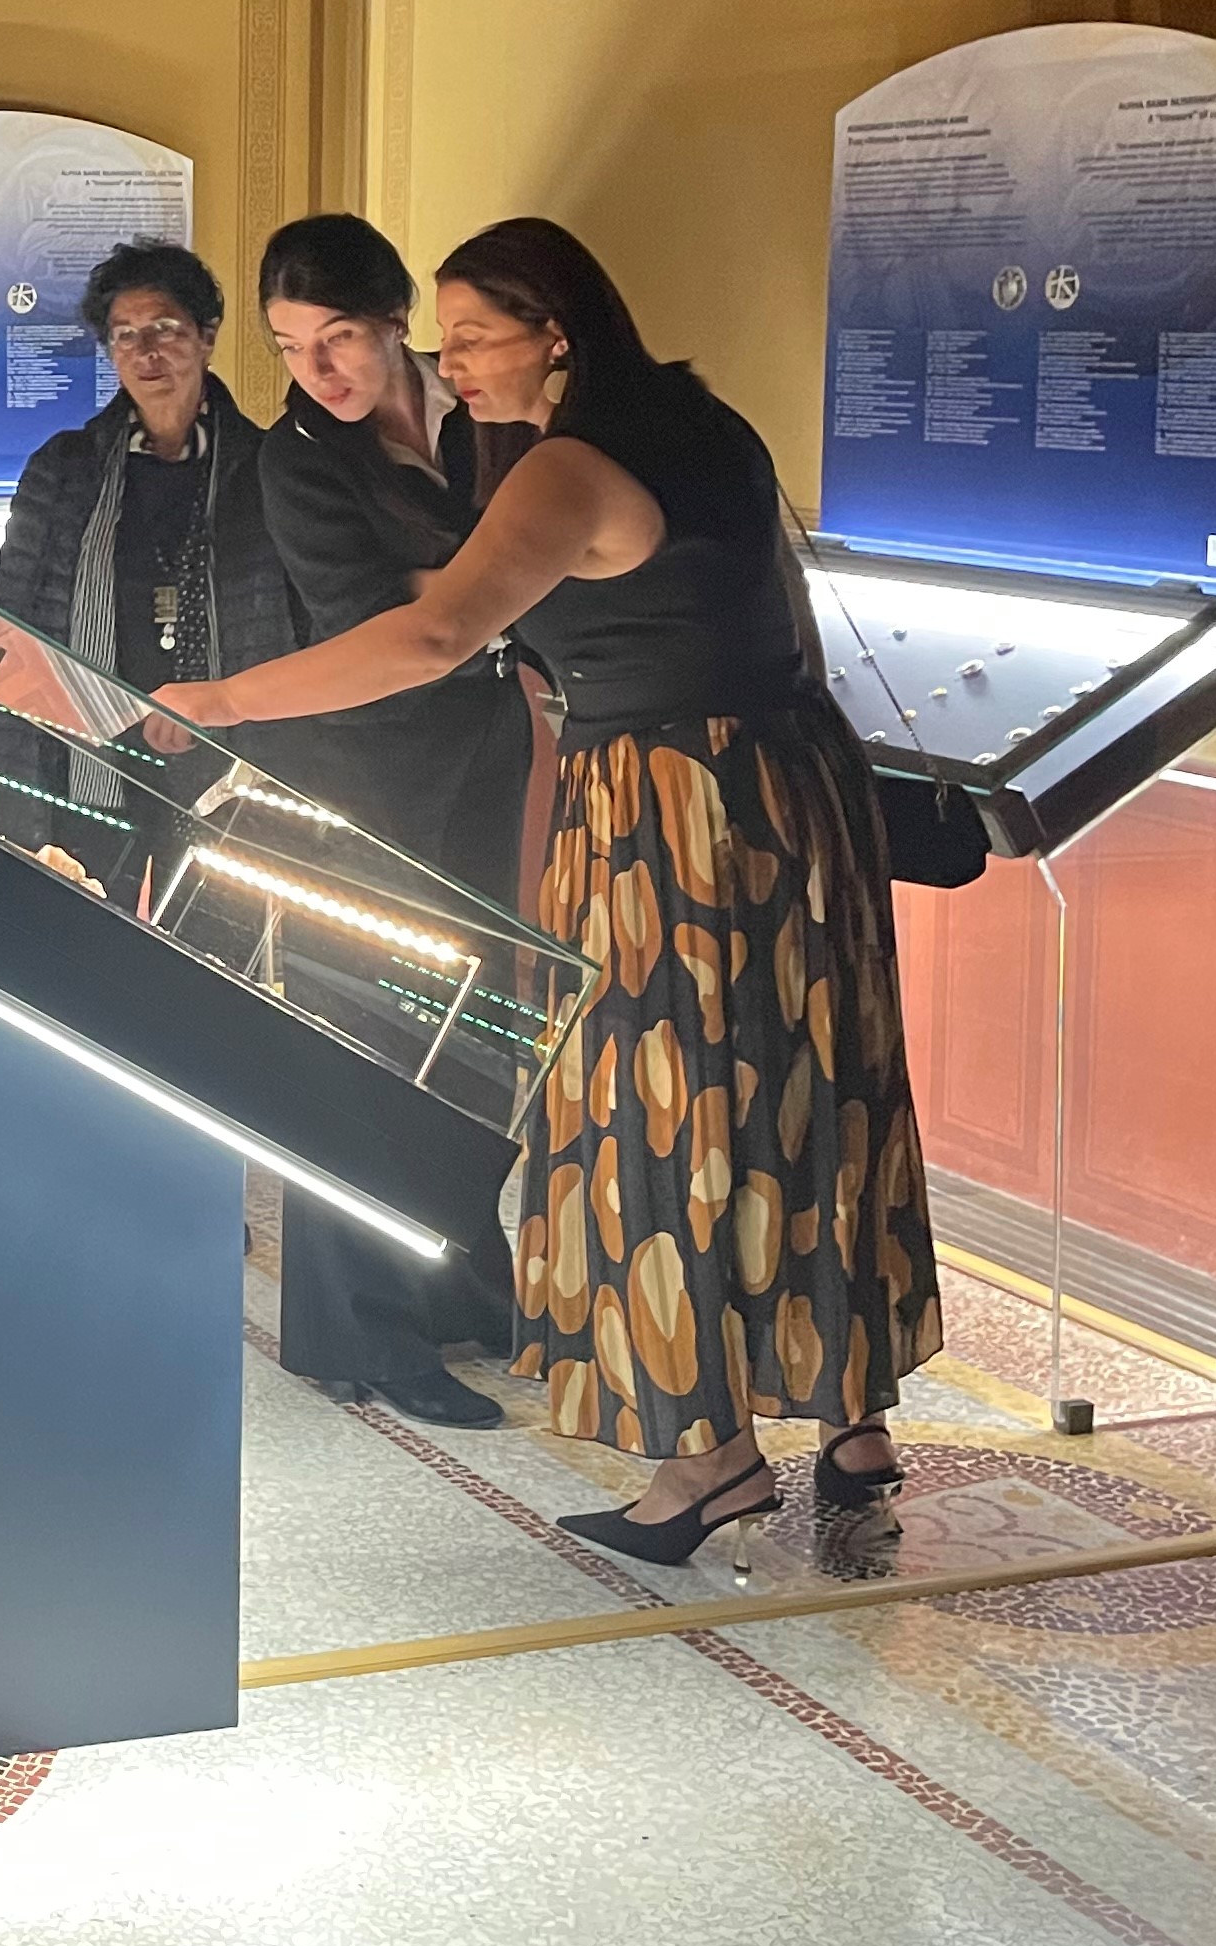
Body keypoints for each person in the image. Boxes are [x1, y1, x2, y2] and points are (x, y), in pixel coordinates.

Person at [163, 217, 942, 1563]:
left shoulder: (567, 468)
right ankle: (856, 1424)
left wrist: (223, 700)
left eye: (472, 335)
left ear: (557, 333)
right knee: (812, 1089)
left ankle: (707, 1463)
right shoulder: (703, 421)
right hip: (786, 785)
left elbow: (433, 631)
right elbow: (784, 622)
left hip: (667, 818)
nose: (447, 361)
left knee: (666, 1118)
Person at [251, 213, 543, 1429]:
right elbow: (381, 618)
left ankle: (470, 1283)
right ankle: (357, 1328)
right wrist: (495, 585)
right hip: (358, 774)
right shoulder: (296, 458)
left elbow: (494, 587)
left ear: (396, 323)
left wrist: (473, 593)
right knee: (362, 1043)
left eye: (340, 340)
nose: (318, 373)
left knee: (479, 1033)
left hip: (485, 764)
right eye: (289, 346)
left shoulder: (480, 417)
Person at [0, 237, 305, 881]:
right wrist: (8, 744)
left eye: (164, 329)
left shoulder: (268, 465)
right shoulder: (67, 467)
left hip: (228, 763)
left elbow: (297, 626)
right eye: (125, 335)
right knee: (69, 954)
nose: (146, 352)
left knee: (216, 962)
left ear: (206, 335)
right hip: (82, 761)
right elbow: (9, 619)